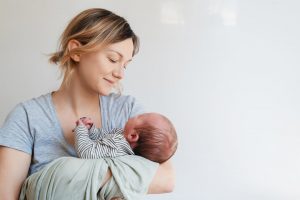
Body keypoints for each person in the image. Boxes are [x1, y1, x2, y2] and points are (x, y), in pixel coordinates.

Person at [0, 8, 175, 199]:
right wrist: (121, 176)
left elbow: (166, 180)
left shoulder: (128, 111)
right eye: (113, 59)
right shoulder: (26, 117)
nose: (120, 73)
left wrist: (67, 178)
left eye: (125, 64)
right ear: (75, 50)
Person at [74, 113, 178, 163]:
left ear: (133, 136)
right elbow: (100, 140)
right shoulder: (121, 137)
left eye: (139, 117)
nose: (136, 114)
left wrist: (81, 130)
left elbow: (87, 152)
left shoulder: (117, 145)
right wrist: (91, 130)